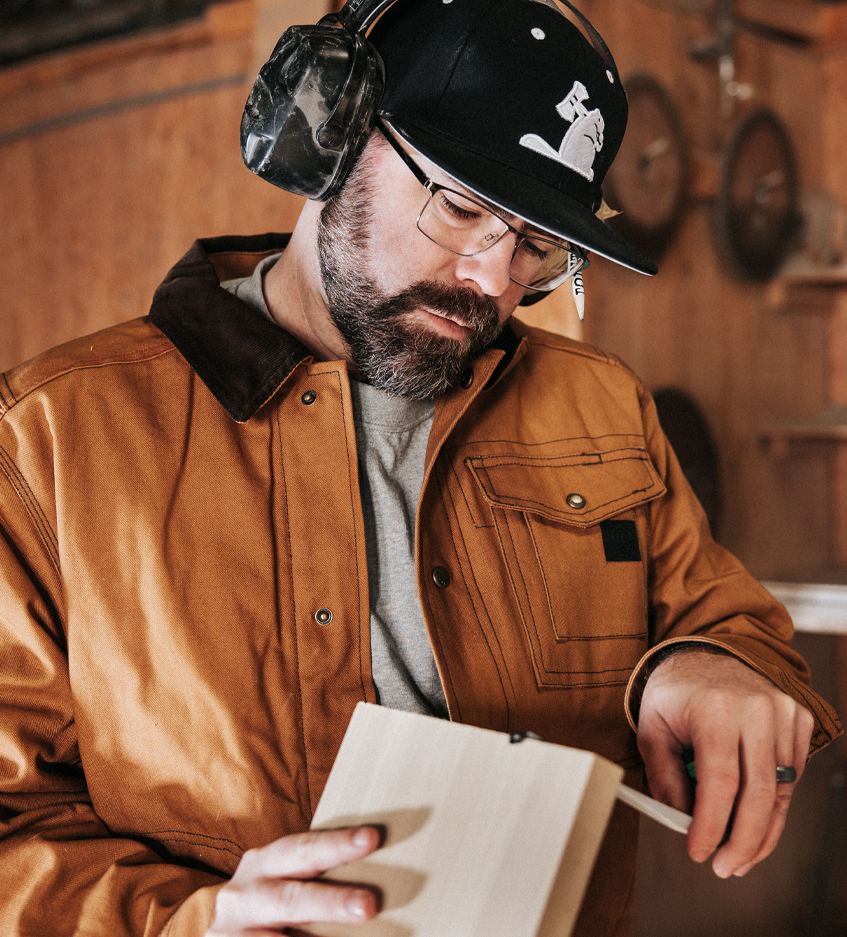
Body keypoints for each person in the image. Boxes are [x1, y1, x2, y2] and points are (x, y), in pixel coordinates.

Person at [0, 0, 840, 935]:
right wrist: (180, 923)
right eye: (463, 207)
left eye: (535, 242)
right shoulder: (47, 443)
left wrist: (712, 661)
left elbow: (718, 612)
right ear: (324, 137)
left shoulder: (599, 405)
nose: (493, 281)